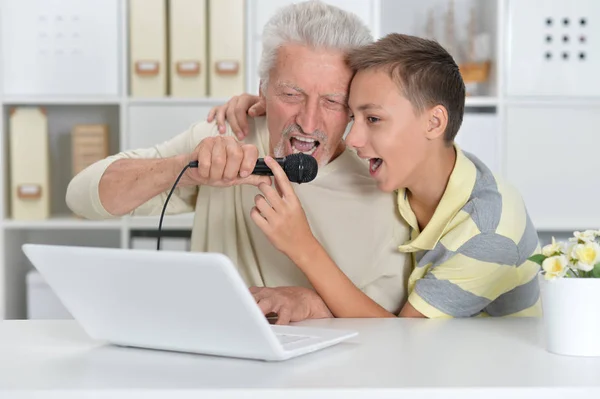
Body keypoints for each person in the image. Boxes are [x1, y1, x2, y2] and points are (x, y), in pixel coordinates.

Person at [65, 1, 412, 324]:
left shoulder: (383, 184)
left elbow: (389, 321)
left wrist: (312, 302)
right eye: (291, 95)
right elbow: (80, 198)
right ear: (262, 91)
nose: (308, 122)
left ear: (354, 104)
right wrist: (188, 168)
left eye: (332, 101)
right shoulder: (229, 136)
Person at [211, 33, 542, 318]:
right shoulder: (411, 172)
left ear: (434, 123)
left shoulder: (488, 233)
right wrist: (274, 102)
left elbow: (404, 338)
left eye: (373, 119)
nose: (352, 140)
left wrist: (302, 246)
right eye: (352, 116)